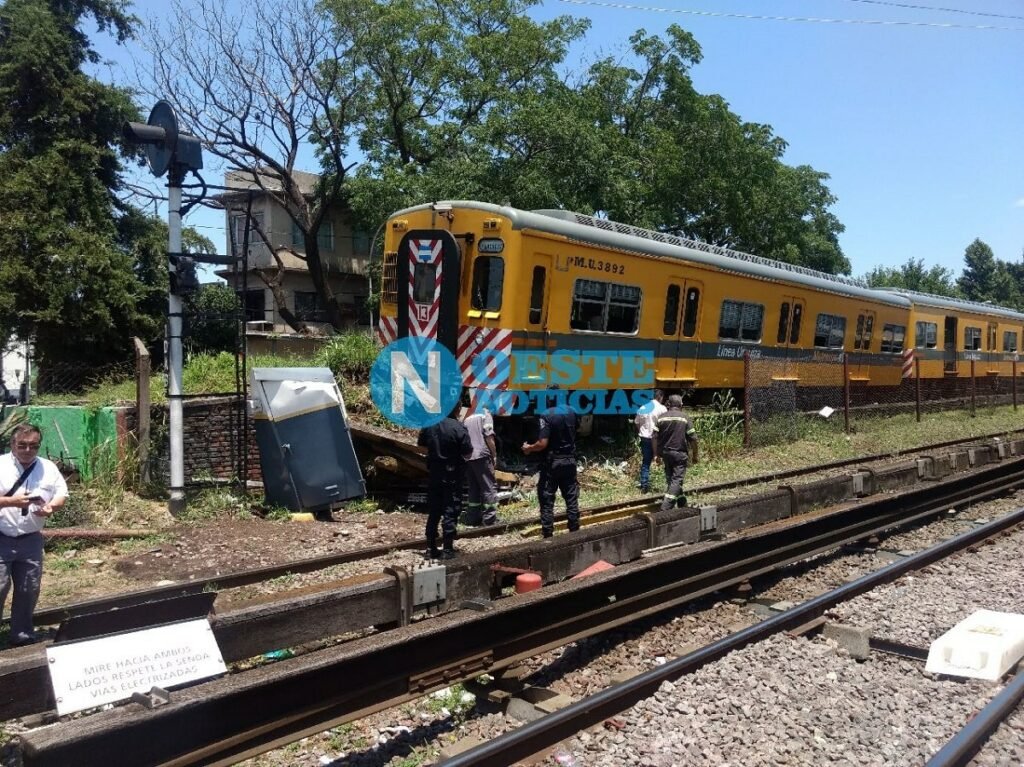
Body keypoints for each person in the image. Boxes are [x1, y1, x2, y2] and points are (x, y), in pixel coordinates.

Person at [0, 424, 68, 646]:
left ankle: (21, 635)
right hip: (2, 535)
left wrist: (51, 507)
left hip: (31, 538)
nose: (28, 450)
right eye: (22, 445)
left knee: (29, 588)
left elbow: (61, 494)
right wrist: (11, 501)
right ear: (12, 444)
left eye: (33, 446)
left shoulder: (48, 468)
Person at [522, 397, 580, 538]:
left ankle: (548, 535)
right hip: (570, 461)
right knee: (571, 498)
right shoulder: (573, 412)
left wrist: (529, 448)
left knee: (547, 499)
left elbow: (542, 444)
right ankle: (575, 532)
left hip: (553, 464)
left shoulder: (547, 415)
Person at [417, 409, 472, 559]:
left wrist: (435, 454)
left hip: (434, 473)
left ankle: (430, 548)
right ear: (457, 409)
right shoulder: (457, 427)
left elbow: (421, 445)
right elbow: (468, 451)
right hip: (452, 474)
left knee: (434, 509)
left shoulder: (429, 425)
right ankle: (447, 549)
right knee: (451, 509)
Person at [652, 394, 698, 512]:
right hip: (679, 454)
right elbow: (693, 438)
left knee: (671, 480)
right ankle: (665, 508)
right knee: (676, 480)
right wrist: (695, 455)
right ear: (681, 405)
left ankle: (682, 504)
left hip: (666, 454)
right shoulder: (685, 418)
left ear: (669, 404)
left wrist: (656, 454)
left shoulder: (661, 418)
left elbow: (654, 437)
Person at [462, 409, 498, 526]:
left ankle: (473, 517)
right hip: (482, 455)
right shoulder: (486, 415)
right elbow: (489, 437)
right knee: (489, 487)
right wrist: (494, 455)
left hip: (468, 457)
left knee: (473, 487)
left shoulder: (467, 417)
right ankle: (490, 519)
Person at [634, 389, 666, 493]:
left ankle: (644, 485)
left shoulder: (642, 408)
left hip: (645, 438)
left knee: (646, 462)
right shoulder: (662, 408)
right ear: (660, 397)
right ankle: (669, 482)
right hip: (657, 438)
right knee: (664, 460)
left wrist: (641, 430)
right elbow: (665, 424)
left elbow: (636, 422)